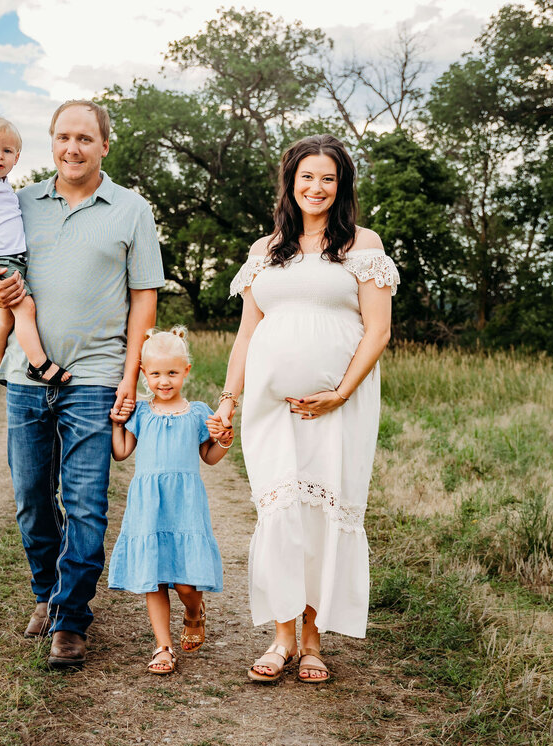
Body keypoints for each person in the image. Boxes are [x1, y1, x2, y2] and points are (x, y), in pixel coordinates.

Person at [0, 100, 164, 670]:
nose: (72, 148)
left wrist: (130, 379)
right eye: (63, 137)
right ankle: (45, 592)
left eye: (85, 138)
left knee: (85, 505)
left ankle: (70, 619)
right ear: (51, 142)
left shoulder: (132, 210)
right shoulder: (19, 200)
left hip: (97, 378)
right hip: (25, 377)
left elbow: (144, 301)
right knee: (32, 500)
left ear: (105, 145)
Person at [212, 134, 398, 683]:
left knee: (321, 515)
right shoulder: (263, 251)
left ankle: (314, 642)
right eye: (307, 177)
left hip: (339, 406)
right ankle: (282, 637)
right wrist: (228, 398)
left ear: (341, 187)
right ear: (290, 183)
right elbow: (248, 335)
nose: (316, 188)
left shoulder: (362, 244)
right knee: (280, 513)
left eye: (328, 178)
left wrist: (339, 391)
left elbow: (379, 331)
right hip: (271, 409)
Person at [107, 327, 233, 675]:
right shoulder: (142, 413)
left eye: (172, 373)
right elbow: (120, 453)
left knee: (184, 584)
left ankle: (194, 611)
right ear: (144, 374)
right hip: (148, 505)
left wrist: (224, 440)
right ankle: (163, 646)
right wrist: (117, 424)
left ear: (186, 372)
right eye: (157, 373)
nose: (164, 381)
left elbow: (209, 456)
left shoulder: (197, 413)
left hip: (184, 504)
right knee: (155, 577)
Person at [0, 117, 71, 386]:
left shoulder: (4, 187)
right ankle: (39, 365)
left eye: (7, 151)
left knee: (5, 315)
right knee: (25, 307)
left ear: (16, 157)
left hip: (11, 259)